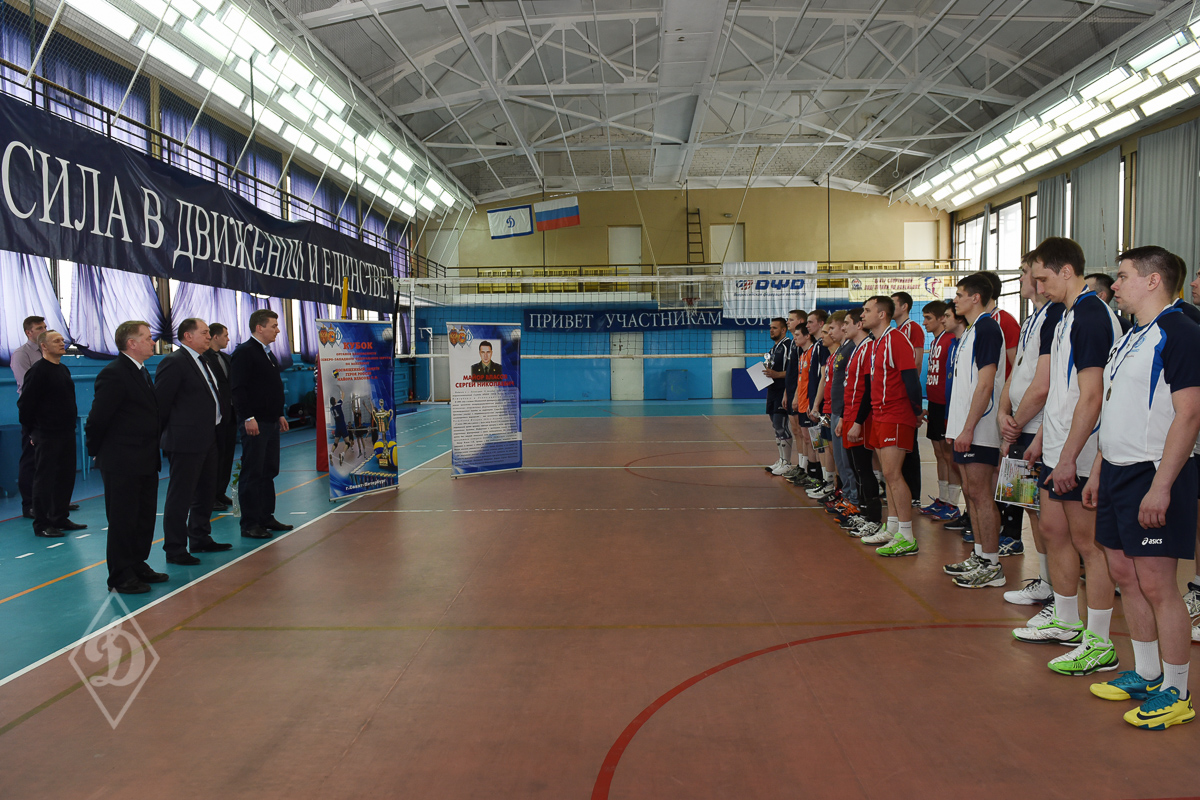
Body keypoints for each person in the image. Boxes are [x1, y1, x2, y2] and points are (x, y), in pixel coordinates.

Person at [1084, 246, 1200, 729]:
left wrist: (1162, 486)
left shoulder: (1181, 332)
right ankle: (1149, 673)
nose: (1114, 285)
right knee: (1124, 575)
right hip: (1116, 471)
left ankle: (1177, 691)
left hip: (1153, 472)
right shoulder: (1132, 335)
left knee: (1156, 583)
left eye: (1123, 276)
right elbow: (1115, 409)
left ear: (1154, 281)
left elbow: (1189, 414)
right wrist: (1098, 469)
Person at [1014, 238, 1123, 679]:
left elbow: (1093, 395)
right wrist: (1043, 439)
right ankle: (1065, 620)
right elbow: (1062, 390)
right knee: (1053, 531)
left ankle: (1099, 642)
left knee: (1088, 545)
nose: (1038, 288)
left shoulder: (1093, 316)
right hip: (1057, 447)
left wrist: (1069, 458)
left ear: (1066, 271)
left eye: (1042, 278)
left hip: (1081, 453)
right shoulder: (1065, 316)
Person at [998, 255, 1064, 606]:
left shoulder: (1055, 315)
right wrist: (1003, 412)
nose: (1023, 278)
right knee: (1028, 506)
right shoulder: (1031, 319)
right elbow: (1017, 372)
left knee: (1046, 513)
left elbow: (1044, 384)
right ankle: (1045, 580)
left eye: (1024, 273)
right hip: (1021, 425)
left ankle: (1056, 586)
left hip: (1037, 428)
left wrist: (1017, 424)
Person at [86, 321, 167, 593]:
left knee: (143, 516)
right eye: (147, 338)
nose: (152, 342)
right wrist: (98, 451)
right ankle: (121, 575)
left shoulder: (141, 371)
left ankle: (137, 563)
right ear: (131, 343)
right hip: (122, 460)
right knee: (123, 519)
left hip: (145, 458)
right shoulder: (114, 374)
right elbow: (98, 419)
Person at [940, 273, 1007, 588]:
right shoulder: (969, 331)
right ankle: (980, 555)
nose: (955, 300)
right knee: (970, 492)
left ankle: (992, 564)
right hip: (965, 428)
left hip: (980, 427)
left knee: (981, 495)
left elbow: (985, 383)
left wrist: (968, 428)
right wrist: (955, 427)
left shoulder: (988, 328)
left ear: (975, 297)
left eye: (959, 294)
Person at [156, 318, 232, 565]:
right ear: (188, 336)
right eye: (204, 332)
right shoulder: (174, 362)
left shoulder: (204, 360)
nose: (209, 336)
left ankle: (200, 537)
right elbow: (161, 403)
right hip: (185, 441)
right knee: (181, 495)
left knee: (206, 492)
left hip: (209, 436)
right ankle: (175, 548)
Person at [857, 295, 924, 556]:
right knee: (888, 474)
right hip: (880, 415)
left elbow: (911, 378)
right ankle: (894, 527)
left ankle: (907, 536)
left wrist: (916, 411)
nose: (862, 315)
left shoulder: (896, 339)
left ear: (882, 314)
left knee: (894, 474)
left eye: (867, 310)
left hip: (896, 414)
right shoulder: (876, 343)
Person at [231, 309, 293, 540]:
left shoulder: (268, 354)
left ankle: (266, 516)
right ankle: (249, 523)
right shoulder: (245, 352)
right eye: (273, 326)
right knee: (253, 472)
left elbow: (271, 388)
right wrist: (248, 417)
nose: (277, 330)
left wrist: (279, 414)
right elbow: (238, 389)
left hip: (270, 421)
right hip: (255, 422)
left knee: (269, 470)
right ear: (259, 327)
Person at [16, 330, 84, 538]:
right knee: (45, 479)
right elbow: (25, 405)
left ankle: (59, 517)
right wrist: (32, 432)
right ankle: (42, 524)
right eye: (56, 341)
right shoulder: (38, 371)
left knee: (65, 477)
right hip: (46, 434)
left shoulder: (62, 369)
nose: (62, 343)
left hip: (66, 432)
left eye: (62, 340)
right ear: (44, 346)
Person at [836, 309, 881, 537]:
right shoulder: (856, 349)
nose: (843, 327)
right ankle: (862, 514)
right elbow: (850, 388)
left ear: (858, 325)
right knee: (856, 468)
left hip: (860, 419)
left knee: (864, 469)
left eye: (846, 323)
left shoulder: (868, 348)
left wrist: (858, 421)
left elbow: (868, 390)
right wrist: (844, 417)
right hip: (850, 416)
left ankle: (873, 518)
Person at [918, 301, 959, 519]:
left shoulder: (950, 339)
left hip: (945, 405)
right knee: (938, 453)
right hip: (934, 404)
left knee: (949, 455)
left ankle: (953, 503)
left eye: (928, 318)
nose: (924, 322)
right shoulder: (935, 342)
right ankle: (943, 499)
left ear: (941, 318)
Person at [891, 291, 925, 508]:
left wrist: (911, 396)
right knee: (899, 446)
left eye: (893, 303)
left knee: (910, 445)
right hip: (896, 397)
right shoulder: (896, 331)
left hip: (905, 396)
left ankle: (914, 493)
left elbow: (916, 363)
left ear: (904, 306)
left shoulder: (913, 328)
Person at [11, 315, 45, 520]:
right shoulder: (21, 354)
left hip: (50, 412)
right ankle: (29, 504)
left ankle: (53, 500)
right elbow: (27, 385)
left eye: (45, 327)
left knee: (51, 459)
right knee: (31, 458)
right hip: (33, 412)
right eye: (39, 328)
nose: (44, 330)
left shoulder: (47, 351)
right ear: (28, 332)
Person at [203, 322, 236, 509]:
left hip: (230, 414)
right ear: (215, 337)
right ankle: (210, 495)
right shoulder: (204, 358)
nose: (228, 339)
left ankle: (220, 491)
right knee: (214, 457)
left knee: (227, 454)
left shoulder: (227, 358)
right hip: (215, 416)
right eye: (225, 335)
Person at [761, 317, 793, 475]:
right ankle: (781, 460)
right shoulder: (774, 349)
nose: (771, 330)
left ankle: (787, 463)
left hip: (782, 391)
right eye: (770, 328)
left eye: (775, 328)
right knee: (775, 426)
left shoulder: (788, 346)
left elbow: (793, 371)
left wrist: (777, 374)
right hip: (772, 391)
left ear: (783, 330)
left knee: (781, 425)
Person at [329, 389, 352, 466]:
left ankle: (331, 453)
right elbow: (343, 395)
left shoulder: (331, 409)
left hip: (337, 427)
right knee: (348, 443)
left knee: (335, 443)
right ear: (335, 401)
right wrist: (341, 388)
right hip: (342, 426)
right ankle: (342, 454)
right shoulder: (338, 404)